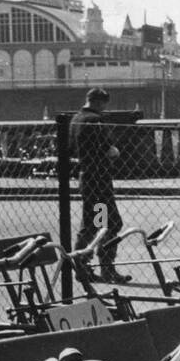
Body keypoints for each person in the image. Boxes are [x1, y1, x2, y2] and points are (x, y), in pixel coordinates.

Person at [69, 87, 130, 285]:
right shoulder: (96, 120)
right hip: (100, 179)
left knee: (96, 222)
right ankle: (105, 267)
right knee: (109, 224)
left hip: (86, 176)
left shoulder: (75, 120)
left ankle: (83, 266)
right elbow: (108, 149)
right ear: (100, 102)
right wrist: (115, 151)